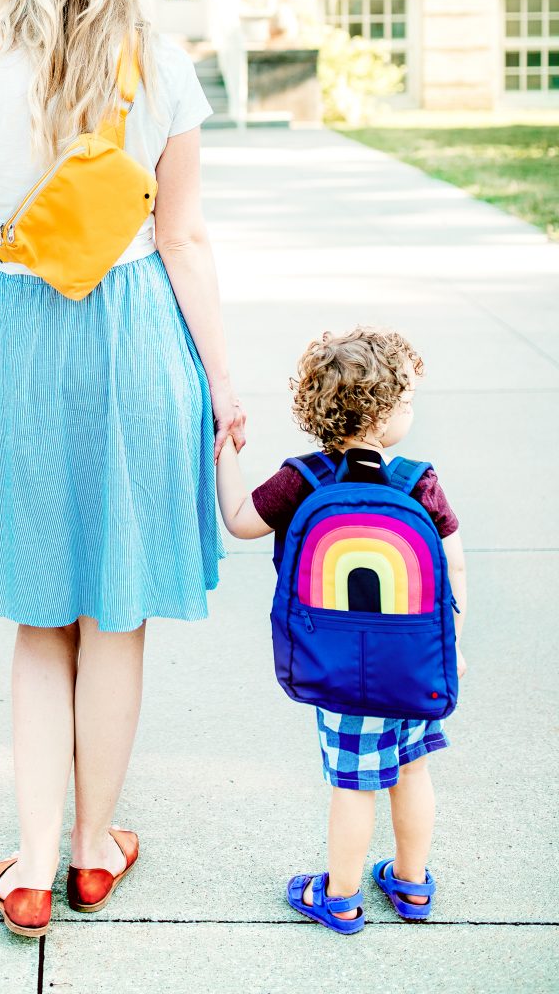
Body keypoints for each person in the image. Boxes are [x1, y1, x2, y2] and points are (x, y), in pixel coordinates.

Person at [0, 0, 245, 936]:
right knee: (116, 617)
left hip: (21, 341)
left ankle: (35, 870)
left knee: (44, 623)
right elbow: (183, 237)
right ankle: (96, 851)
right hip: (137, 341)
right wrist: (220, 378)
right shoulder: (163, 63)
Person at [216, 328, 467, 934]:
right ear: (384, 416)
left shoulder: (304, 479)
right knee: (412, 772)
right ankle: (411, 885)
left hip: (338, 667)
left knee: (355, 785)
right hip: (414, 665)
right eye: (406, 402)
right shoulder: (417, 482)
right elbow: (453, 565)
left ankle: (342, 898)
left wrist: (224, 451)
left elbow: (240, 521)